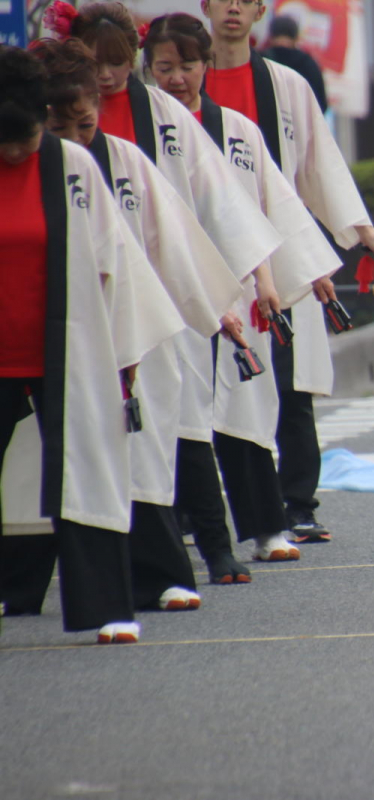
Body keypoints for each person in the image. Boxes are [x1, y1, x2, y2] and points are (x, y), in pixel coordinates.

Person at [68, 1, 288, 578]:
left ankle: (214, 548)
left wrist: (248, 282)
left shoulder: (162, 116)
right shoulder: (62, 121)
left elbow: (218, 201)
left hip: (166, 284)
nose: (107, 76)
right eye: (96, 62)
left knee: (184, 421)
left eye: (118, 63)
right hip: (84, 293)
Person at [30, 35, 248, 612]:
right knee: (40, 465)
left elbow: (169, 242)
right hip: (38, 333)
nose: (76, 139)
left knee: (145, 451)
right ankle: (22, 583)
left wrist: (213, 308)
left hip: (128, 322)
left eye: (85, 124)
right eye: (60, 127)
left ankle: (157, 574)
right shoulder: (27, 166)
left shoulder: (124, 161)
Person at [0, 44, 182, 643]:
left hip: (67, 349)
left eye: (26, 139)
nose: (17, 153)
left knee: (86, 470)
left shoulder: (73, 166)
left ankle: (108, 607)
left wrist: (126, 354)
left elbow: (116, 263)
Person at [201, 0, 374, 544]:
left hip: (280, 244)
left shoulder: (286, 85)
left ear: (260, 10)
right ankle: (197, 510)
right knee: (200, 384)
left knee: (290, 381)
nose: (233, 7)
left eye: (245, 0)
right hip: (204, 247)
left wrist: (364, 231)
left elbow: (320, 166)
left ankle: (298, 503)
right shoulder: (175, 89)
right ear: (205, 6)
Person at [145, 13, 342, 556]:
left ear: (205, 65)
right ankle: (175, 532)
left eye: (188, 65)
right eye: (165, 67)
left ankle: (266, 526)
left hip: (236, 281)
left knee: (247, 406)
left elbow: (267, 205)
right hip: (165, 286)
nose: (177, 78)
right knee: (171, 409)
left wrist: (279, 273)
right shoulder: (134, 134)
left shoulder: (236, 129)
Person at [260, 14, 326, 113]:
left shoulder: (260, 60)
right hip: (298, 120)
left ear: (271, 36)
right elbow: (320, 105)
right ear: (296, 38)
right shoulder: (308, 64)